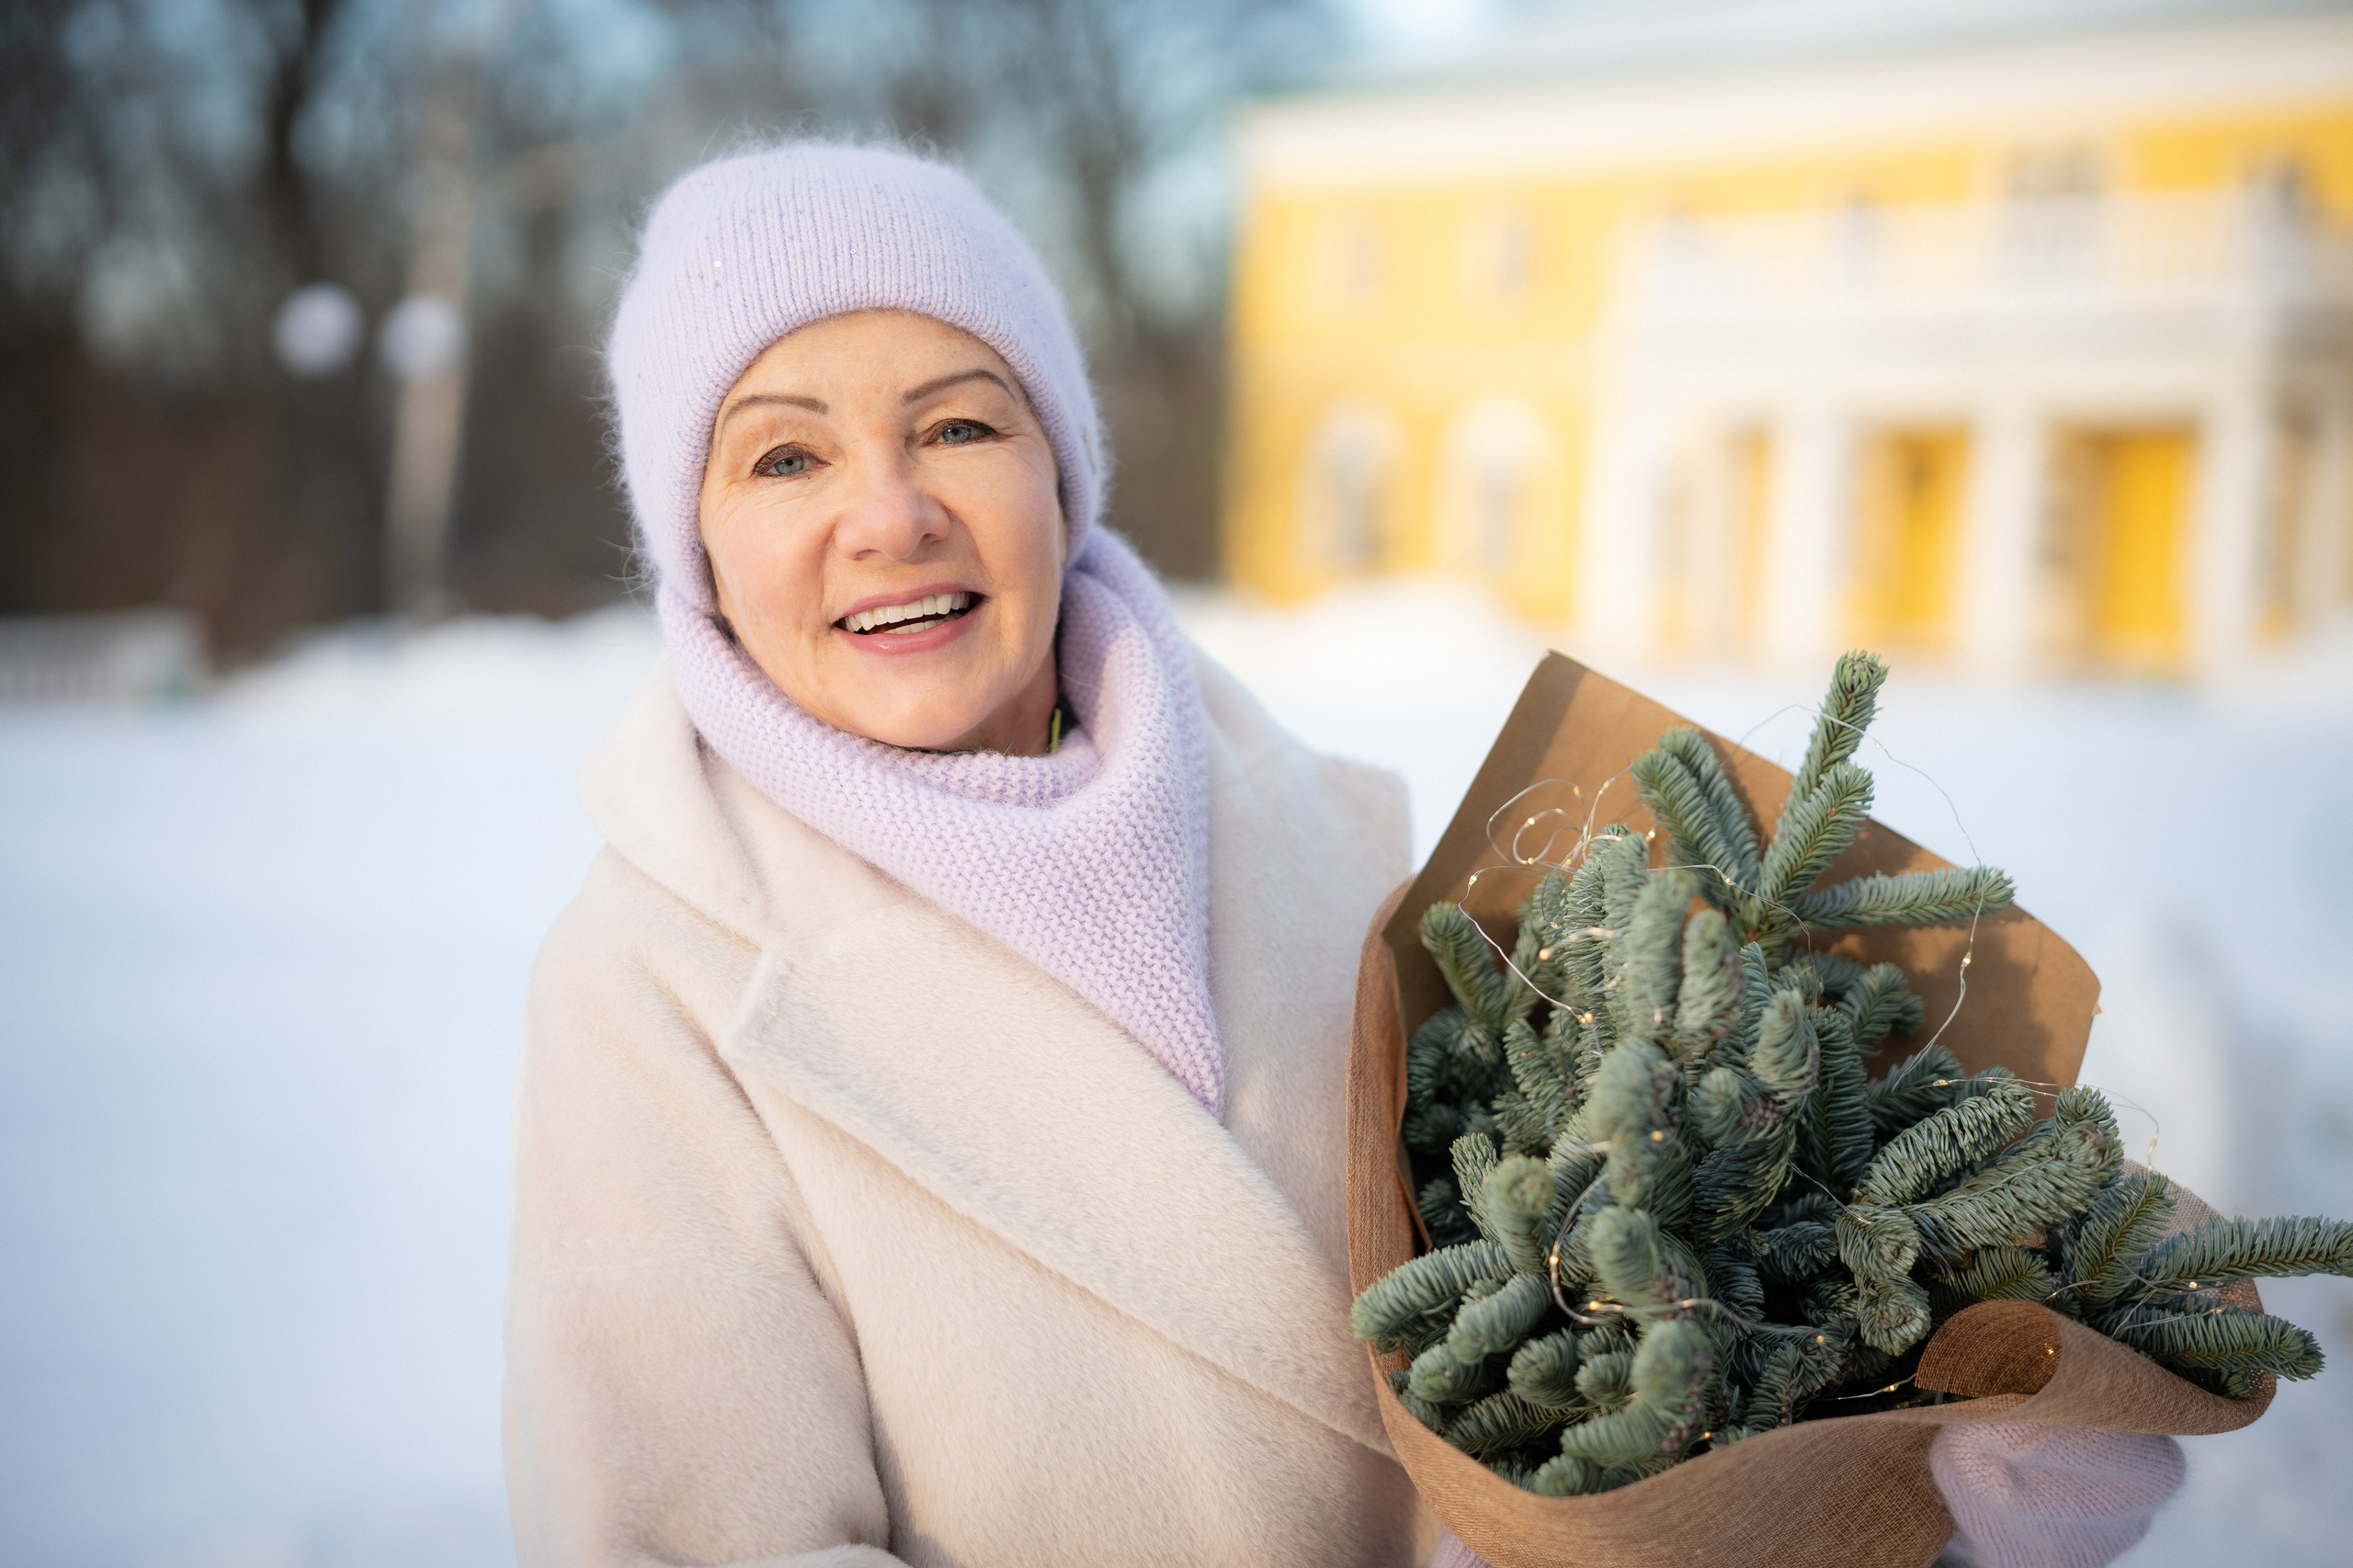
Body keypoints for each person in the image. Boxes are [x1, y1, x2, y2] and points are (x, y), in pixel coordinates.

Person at [504, 142, 2186, 1568]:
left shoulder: (1376, 858)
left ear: (1061, 475)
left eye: (958, 426)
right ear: (697, 547)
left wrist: (1924, 1453)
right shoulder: (659, 983)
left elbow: (1575, 1372)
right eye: (785, 454)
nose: (889, 511)